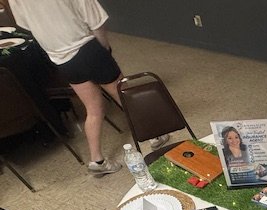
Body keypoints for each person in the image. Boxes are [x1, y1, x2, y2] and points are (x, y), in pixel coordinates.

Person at [8, 0, 167, 175]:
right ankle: (154, 136)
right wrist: (104, 49)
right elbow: (96, 21)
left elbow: (25, 23)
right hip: (88, 49)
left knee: (93, 109)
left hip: (62, 59)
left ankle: (97, 161)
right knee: (124, 95)